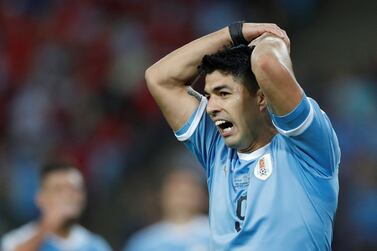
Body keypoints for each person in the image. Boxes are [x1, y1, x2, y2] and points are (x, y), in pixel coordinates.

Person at [144, 22, 341, 250]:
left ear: (261, 98)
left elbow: (266, 62)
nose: (211, 107)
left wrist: (271, 38)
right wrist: (235, 33)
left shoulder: (306, 147)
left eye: (223, 93)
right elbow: (159, 78)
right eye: (209, 96)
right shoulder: (215, 150)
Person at [1, 162, 112, 251]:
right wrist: (47, 227)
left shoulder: (96, 245)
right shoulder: (15, 240)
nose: (68, 196)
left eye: (75, 189)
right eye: (58, 189)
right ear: (40, 198)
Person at [123, 168, 210, 251]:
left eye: (188, 189)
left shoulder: (215, 234)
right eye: (176, 189)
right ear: (161, 195)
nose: (182, 196)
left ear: (202, 195)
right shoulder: (143, 242)